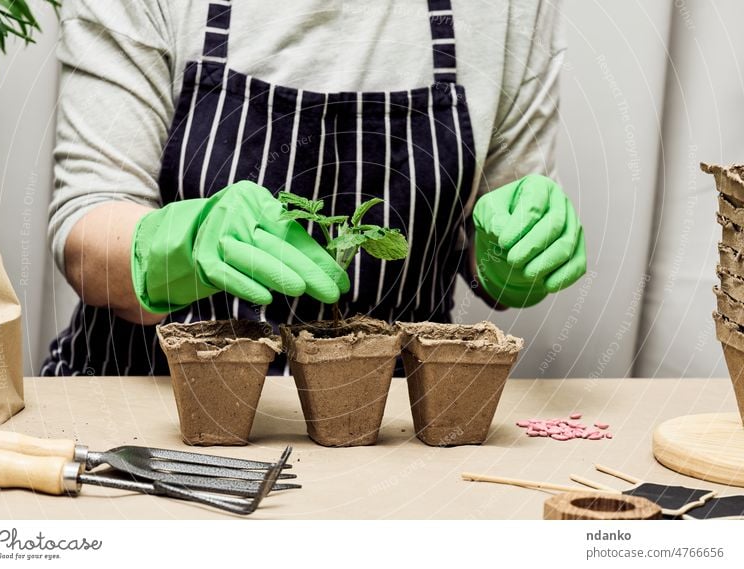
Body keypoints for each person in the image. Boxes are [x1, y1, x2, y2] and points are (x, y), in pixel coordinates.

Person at [42, 0, 586, 376]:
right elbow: (86, 233)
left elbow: (496, 222)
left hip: (386, 419)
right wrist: (178, 246)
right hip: (149, 406)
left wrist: (513, 252)